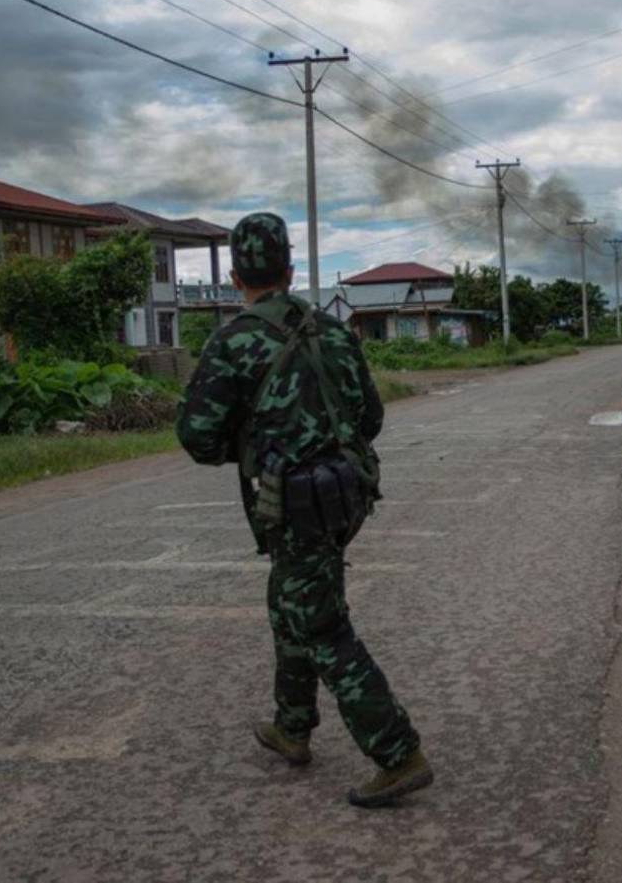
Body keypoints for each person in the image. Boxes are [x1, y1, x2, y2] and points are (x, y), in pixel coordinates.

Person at [175, 212, 432, 808]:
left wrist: (253, 444)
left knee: (319, 623)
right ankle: (292, 727)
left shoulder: (233, 340)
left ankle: (397, 753)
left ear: (237, 276)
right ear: (290, 271)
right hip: (348, 495)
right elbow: (370, 419)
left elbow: (198, 439)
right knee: (290, 599)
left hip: (295, 506)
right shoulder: (334, 331)